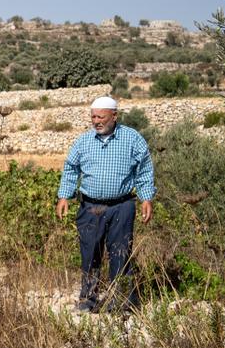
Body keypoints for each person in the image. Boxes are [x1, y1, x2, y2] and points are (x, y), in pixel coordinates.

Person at [54, 96, 154, 312]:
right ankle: (88, 301)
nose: (96, 121)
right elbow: (71, 168)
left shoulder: (132, 139)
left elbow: (144, 171)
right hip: (90, 207)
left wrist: (147, 198)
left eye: (101, 116)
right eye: (93, 117)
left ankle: (123, 304)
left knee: (121, 253)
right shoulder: (83, 141)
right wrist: (64, 196)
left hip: (122, 206)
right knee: (90, 254)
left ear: (114, 116)